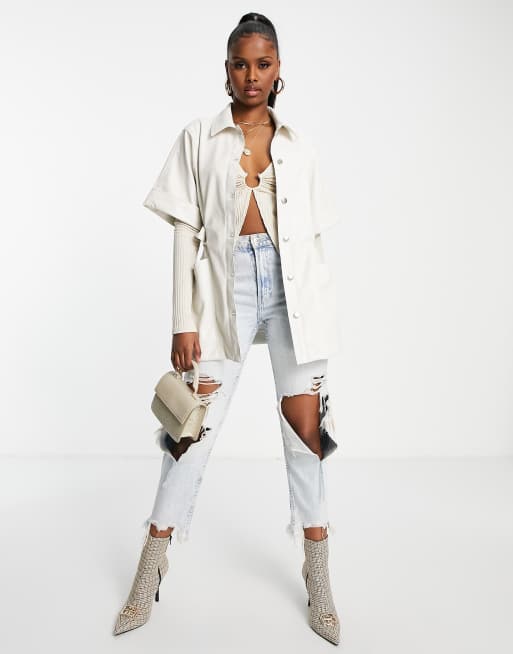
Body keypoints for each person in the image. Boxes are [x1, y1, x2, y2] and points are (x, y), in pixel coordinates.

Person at [113, 12, 341, 645]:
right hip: (224, 290)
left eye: (263, 64)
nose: (251, 75)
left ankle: (318, 575)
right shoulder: (199, 137)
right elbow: (185, 234)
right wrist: (183, 320)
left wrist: (318, 317)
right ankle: (150, 569)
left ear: (279, 69)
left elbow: (312, 244)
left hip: (294, 295)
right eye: (241, 64)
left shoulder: (299, 145)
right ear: (227, 70)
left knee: (306, 437)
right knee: (187, 434)